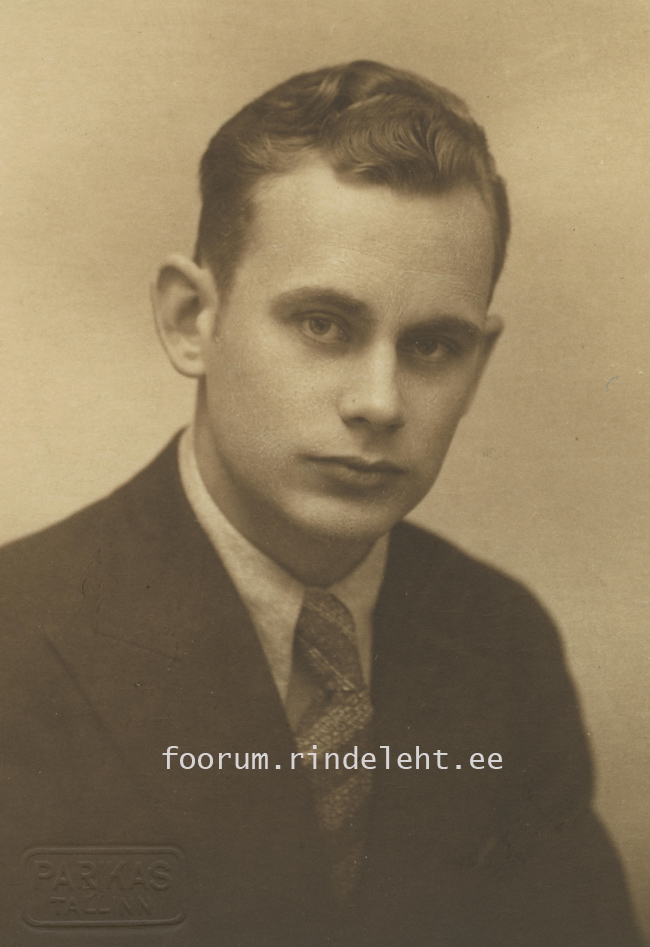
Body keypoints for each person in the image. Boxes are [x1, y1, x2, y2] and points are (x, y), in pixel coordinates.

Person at [0, 60, 644, 947]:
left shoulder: (502, 642)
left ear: (478, 364)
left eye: (433, 345)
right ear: (192, 320)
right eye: (323, 325)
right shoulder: (18, 638)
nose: (379, 401)